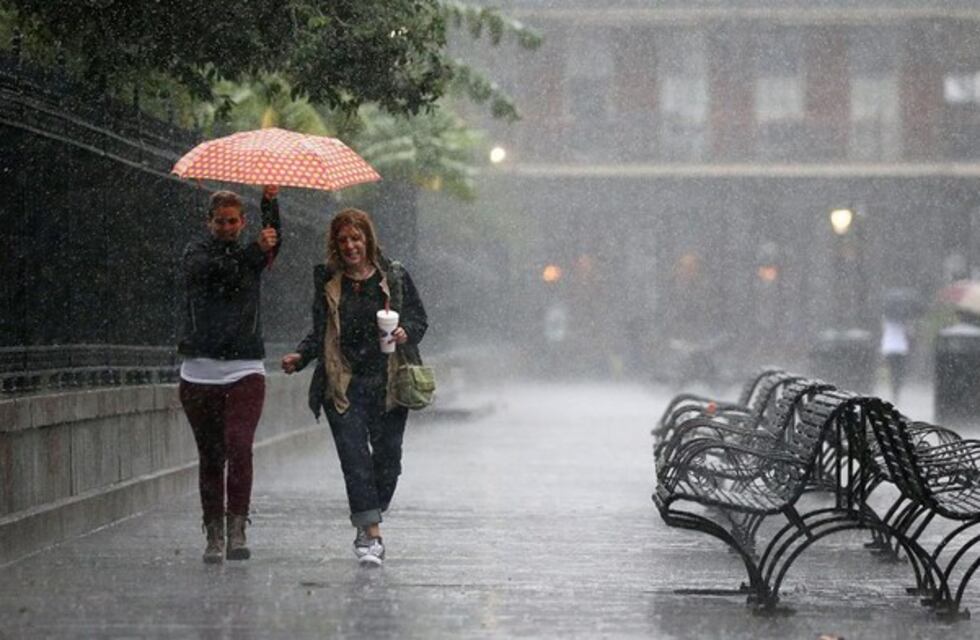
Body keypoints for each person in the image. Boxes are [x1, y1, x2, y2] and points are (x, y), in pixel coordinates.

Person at [281, 208, 427, 567]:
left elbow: (419, 319)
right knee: (355, 460)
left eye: (356, 238)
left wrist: (406, 330)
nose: (350, 246)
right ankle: (369, 534)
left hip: (388, 384)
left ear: (368, 240)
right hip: (343, 384)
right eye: (343, 240)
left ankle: (371, 513)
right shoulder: (329, 282)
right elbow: (320, 332)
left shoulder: (393, 276)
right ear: (335, 244)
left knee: (388, 461)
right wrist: (300, 356)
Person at [177, 186, 280, 564]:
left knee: (239, 446)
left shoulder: (254, 252)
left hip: (245, 367)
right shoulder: (195, 254)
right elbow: (221, 275)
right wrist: (254, 252)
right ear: (210, 222)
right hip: (199, 370)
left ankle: (237, 528)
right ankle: (214, 534)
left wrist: (271, 202)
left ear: (243, 221)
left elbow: (272, 242)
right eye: (220, 221)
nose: (226, 227)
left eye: (233, 221)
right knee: (210, 455)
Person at [880, 314, 910, 403]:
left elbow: (883, 331)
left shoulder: (885, 319)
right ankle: (897, 390)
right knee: (899, 371)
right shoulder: (904, 320)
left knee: (893, 371)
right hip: (900, 348)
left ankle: (894, 390)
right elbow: (908, 333)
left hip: (889, 348)